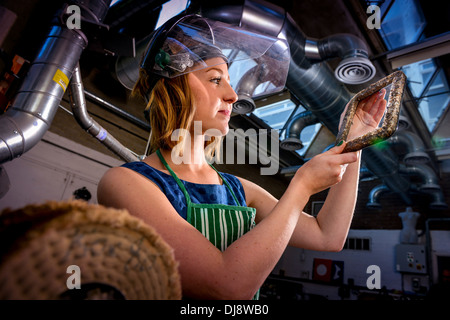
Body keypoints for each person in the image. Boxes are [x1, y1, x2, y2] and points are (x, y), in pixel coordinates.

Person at [97, 14, 387, 300]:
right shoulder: (125, 183)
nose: (233, 95)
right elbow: (226, 286)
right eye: (215, 79)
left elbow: (327, 236)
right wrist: (300, 188)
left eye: (229, 81)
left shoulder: (237, 189)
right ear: (175, 89)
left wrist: (355, 141)